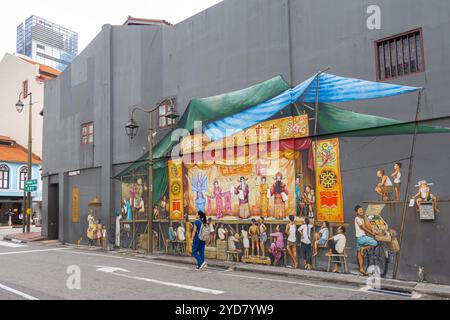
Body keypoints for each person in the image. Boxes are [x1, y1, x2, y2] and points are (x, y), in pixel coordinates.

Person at [354, 205, 378, 276]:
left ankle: (361, 269)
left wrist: (372, 231)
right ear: (356, 212)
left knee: (359, 254)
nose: (361, 211)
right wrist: (372, 233)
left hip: (359, 239)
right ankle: (363, 248)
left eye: (362, 210)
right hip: (362, 238)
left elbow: (366, 227)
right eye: (359, 210)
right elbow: (362, 227)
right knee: (375, 243)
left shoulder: (362, 219)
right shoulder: (357, 219)